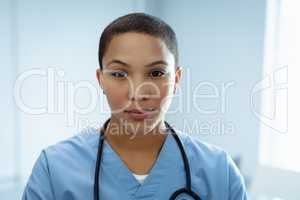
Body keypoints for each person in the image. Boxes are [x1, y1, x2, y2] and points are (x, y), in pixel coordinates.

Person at [22, 12, 248, 199]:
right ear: (101, 80)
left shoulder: (219, 172)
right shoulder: (54, 170)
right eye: (120, 74)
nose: (138, 92)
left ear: (176, 80)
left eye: (156, 73)